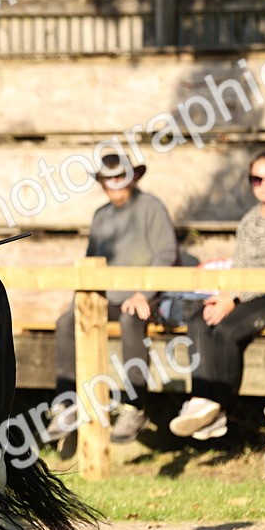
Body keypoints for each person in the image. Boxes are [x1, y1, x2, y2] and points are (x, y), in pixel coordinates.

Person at [170, 150, 265, 439]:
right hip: (254, 293)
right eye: (256, 178)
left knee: (227, 329)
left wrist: (235, 298)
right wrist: (225, 294)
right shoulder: (250, 219)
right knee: (200, 319)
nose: (264, 184)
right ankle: (201, 401)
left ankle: (219, 408)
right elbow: (239, 266)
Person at [47, 155, 178, 448]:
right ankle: (67, 404)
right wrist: (76, 303)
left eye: (122, 176)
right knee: (67, 321)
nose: (116, 184)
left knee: (132, 320)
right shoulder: (101, 215)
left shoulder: (151, 207)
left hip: (146, 298)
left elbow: (166, 253)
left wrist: (145, 293)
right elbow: (90, 263)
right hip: (106, 297)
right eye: (110, 178)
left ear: (133, 177)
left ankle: (134, 405)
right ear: (102, 183)